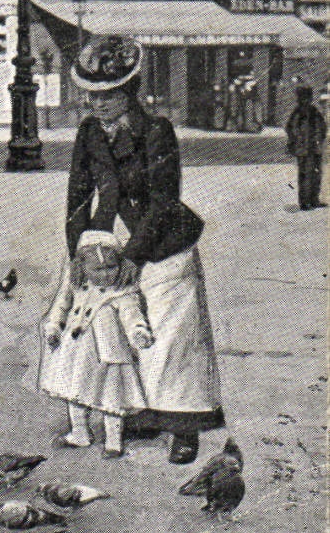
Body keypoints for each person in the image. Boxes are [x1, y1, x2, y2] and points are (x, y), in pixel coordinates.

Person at [65, 34, 222, 464]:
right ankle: (143, 413)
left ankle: (184, 426)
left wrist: (135, 256)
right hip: (111, 241)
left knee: (172, 332)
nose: (97, 103)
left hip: (164, 242)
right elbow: (78, 196)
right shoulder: (88, 132)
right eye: (91, 95)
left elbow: (165, 200)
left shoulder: (157, 131)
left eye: (108, 95)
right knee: (123, 329)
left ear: (130, 91)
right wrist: (77, 251)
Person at [38, 231, 152, 458]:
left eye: (111, 267)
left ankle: (114, 441)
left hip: (110, 353)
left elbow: (132, 315)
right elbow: (60, 307)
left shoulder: (123, 291)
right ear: (82, 267)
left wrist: (138, 332)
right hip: (78, 350)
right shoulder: (77, 286)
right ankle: (80, 432)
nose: (106, 274)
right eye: (97, 269)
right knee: (75, 391)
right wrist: (54, 328)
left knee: (112, 396)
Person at [285, 84, 326, 210]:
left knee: (316, 173)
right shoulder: (298, 113)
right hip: (303, 149)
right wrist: (297, 140)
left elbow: (322, 126)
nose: (306, 100)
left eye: (308, 97)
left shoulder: (314, 111)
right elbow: (290, 128)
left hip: (315, 147)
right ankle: (304, 202)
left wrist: (320, 138)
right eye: (303, 97)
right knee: (305, 174)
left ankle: (314, 199)